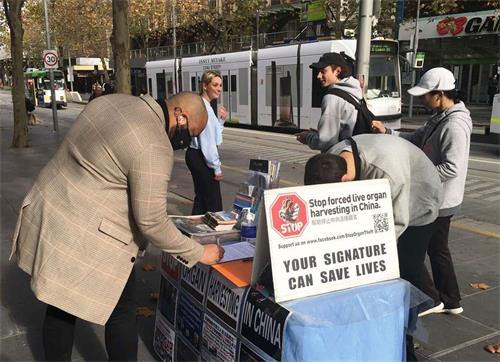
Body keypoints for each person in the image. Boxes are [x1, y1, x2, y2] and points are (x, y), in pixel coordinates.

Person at [10, 91, 224, 361]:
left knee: (59, 305)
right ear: (179, 114)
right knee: (121, 311)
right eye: (191, 131)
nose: (187, 140)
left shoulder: (112, 101)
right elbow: (152, 221)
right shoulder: (154, 144)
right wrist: (199, 252)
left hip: (54, 207)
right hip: (88, 233)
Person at [304, 134, 443, 361]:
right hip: (382, 193)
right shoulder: (333, 156)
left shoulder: (388, 174)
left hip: (418, 204)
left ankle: (403, 340)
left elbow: (398, 223)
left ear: (346, 181)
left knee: (403, 273)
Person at [372, 67, 472, 316]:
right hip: (436, 198)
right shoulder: (440, 117)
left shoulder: (454, 124)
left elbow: (452, 167)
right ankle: (450, 300)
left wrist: (417, 178)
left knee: (410, 249)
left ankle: (430, 299)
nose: (420, 99)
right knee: (437, 249)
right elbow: (417, 138)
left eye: (424, 95)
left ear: (439, 94)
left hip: (439, 200)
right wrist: (389, 133)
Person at [295, 52, 363, 152]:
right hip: (355, 153)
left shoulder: (332, 98)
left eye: (323, 71)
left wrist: (307, 137)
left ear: (337, 71)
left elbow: (326, 141)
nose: (318, 76)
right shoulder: (355, 92)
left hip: (339, 157)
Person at [185, 70, 227, 214]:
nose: (219, 89)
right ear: (204, 86)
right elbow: (208, 143)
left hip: (194, 155)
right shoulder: (206, 109)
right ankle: (211, 235)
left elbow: (212, 135)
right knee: (213, 204)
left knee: (201, 199)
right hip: (202, 158)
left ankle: (193, 233)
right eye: (215, 85)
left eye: (221, 85)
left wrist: (221, 121)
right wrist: (217, 168)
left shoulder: (200, 104)